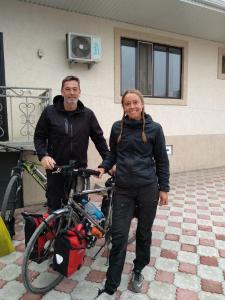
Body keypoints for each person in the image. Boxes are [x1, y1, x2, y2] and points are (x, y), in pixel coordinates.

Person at [96, 89, 169, 299]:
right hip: (123, 189)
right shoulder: (117, 128)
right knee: (118, 235)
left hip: (148, 188)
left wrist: (164, 188)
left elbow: (162, 160)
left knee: (143, 233)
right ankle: (112, 282)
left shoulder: (155, 129)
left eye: (135, 102)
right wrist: (104, 166)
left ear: (142, 104)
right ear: (123, 107)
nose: (132, 107)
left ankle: (138, 270)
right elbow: (112, 154)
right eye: (127, 104)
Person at [34, 75, 109, 211]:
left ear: (79, 92)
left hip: (79, 171)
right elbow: (39, 136)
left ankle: (76, 232)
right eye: (67, 89)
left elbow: (99, 140)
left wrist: (108, 163)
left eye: (75, 89)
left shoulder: (88, 115)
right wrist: (43, 155)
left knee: (79, 208)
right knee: (55, 208)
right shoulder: (49, 112)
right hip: (56, 169)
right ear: (62, 92)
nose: (71, 92)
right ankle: (57, 232)